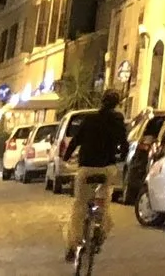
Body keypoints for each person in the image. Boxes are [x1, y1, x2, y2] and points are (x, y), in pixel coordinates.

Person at [62, 92, 131, 260]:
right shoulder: (117, 122)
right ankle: (100, 231)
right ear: (116, 104)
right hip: (107, 169)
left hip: (86, 169)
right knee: (104, 203)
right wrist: (120, 157)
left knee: (79, 207)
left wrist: (66, 157)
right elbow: (124, 145)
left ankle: (73, 244)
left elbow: (75, 141)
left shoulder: (90, 120)